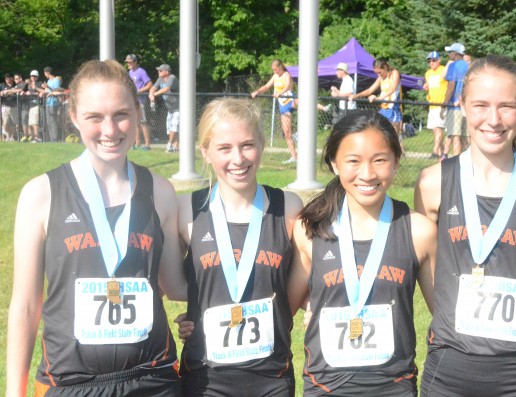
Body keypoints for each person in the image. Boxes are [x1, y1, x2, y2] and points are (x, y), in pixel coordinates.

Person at [6, 59, 187, 396]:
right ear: (74, 117)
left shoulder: (160, 191)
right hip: (71, 383)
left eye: (121, 114)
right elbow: (26, 304)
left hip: (153, 379)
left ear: (136, 113)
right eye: (95, 117)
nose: (110, 129)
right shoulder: (41, 194)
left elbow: (176, 285)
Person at [415, 55, 516, 396]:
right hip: (449, 371)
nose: (493, 119)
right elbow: (424, 269)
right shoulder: (432, 183)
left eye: (506, 106)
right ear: (462, 106)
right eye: (481, 105)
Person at [288, 110, 437, 396]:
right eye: (353, 161)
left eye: (379, 160)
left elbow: (446, 318)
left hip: (393, 387)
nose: (367, 174)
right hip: (325, 387)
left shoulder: (419, 231)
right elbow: (283, 310)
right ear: (334, 164)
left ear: (395, 162)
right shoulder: (310, 230)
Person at [175, 98, 304, 396]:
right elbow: (168, 283)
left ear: (261, 144)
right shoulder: (186, 210)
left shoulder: (288, 207)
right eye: (224, 148)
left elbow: (303, 283)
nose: (238, 158)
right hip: (206, 377)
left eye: (247, 145)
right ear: (205, 152)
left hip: (271, 375)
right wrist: (197, 310)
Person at [251, 59, 298, 164]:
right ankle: (294, 156)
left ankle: (324, 108)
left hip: (290, 100)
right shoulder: (275, 76)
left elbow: (286, 87)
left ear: (280, 67)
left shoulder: (286, 75)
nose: (275, 72)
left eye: (276, 69)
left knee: (306, 103)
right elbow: (267, 86)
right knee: (287, 133)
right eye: (273, 70)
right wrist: (257, 91)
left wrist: (280, 92)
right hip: (283, 105)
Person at [350, 58, 404, 145]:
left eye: (380, 72)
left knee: (394, 136)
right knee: (379, 131)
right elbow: (370, 90)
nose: (379, 75)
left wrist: (380, 97)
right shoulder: (380, 78)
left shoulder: (394, 73)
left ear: (386, 67)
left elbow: (393, 88)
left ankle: (399, 152)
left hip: (394, 109)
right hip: (384, 109)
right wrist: (355, 96)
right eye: (377, 73)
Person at [440, 43, 469, 159]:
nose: (449, 54)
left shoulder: (453, 66)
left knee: (455, 136)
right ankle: (468, 160)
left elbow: (451, 85)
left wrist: (444, 105)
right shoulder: (468, 66)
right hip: (466, 106)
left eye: (450, 52)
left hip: (454, 107)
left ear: (456, 53)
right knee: (466, 137)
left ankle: (457, 163)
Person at [149, 63, 179, 153]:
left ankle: (169, 144)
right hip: (170, 108)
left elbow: (166, 89)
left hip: (178, 107)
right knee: (169, 127)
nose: (158, 72)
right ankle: (175, 146)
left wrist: (155, 94)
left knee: (175, 126)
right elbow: (153, 88)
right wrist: (151, 94)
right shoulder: (160, 79)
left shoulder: (172, 77)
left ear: (166, 72)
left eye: (160, 70)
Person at [125, 53, 153, 151]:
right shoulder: (130, 72)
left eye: (130, 62)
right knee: (135, 122)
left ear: (136, 62)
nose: (129, 64)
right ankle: (137, 143)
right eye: (127, 62)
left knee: (143, 122)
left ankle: (147, 144)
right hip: (133, 101)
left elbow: (149, 84)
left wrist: (139, 91)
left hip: (141, 101)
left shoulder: (141, 72)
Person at [423, 51, 448, 159]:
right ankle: (440, 153)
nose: (431, 63)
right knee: (435, 130)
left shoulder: (443, 70)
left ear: (439, 60)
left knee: (438, 128)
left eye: (433, 60)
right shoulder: (428, 73)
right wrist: (426, 87)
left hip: (441, 104)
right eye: (429, 61)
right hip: (432, 104)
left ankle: (434, 152)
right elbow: (430, 85)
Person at [42, 66, 64, 142]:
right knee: (49, 121)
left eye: (44, 73)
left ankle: (55, 138)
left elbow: (57, 90)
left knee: (53, 120)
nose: (44, 74)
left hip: (54, 103)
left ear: (47, 73)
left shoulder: (56, 80)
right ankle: (51, 139)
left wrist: (48, 87)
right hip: (48, 103)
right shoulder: (48, 81)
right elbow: (47, 91)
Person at [24, 70, 43, 143]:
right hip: (30, 105)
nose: (33, 77)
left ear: (37, 77)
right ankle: (32, 137)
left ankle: (37, 137)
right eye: (32, 76)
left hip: (37, 104)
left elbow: (43, 91)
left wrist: (34, 90)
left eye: (35, 76)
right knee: (30, 123)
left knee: (35, 122)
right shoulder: (28, 84)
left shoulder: (39, 83)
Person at [1, 73, 21, 141]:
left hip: (14, 106)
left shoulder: (16, 85)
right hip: (5, 106)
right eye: (6, 78)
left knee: (14, 122)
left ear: (12, 78)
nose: (7, 79)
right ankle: (7, 136)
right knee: (5, 122)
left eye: (8, 77)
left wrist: (10, 91)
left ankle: (13, 136)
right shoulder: (2, 85)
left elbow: (20, 90)